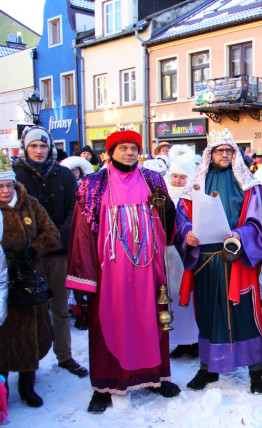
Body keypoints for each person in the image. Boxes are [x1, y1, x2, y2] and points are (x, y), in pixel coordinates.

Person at [66, 128, 180, 413]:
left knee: (151, 319)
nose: (130, 153)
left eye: (133, 148)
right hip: (110, 272)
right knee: (109, 323)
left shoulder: (153, 179)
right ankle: (104, 385)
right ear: (109, 152)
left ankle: (155, 377)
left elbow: (167, 223)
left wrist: (167, 210)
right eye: (123, 148)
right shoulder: (93, 185)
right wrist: (84, 277)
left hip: (148, 269)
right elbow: (82, 232)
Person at [176, 129, 262, 394]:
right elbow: (181, 219)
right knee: (208, 315)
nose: (225, 155)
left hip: (237, 257)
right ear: (210, 154)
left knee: (245, 316)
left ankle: (256, 371)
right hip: (205, 261)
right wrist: (188, 234)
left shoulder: (250, 186)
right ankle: (208, 368)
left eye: (229, 150)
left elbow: (260, 222)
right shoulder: (195, 185)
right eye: (220, 151)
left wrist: (239, 235)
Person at [13, 126, 88, 378]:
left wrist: (58, 238)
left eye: (43, 146)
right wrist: (36, 243)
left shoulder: (64, 174)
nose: (38, 150)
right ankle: (29, 363)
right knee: (30, 309)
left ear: (50, 148)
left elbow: (74, 211)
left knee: (60, 307)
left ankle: (64, 355)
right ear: (25, 148)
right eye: (33, 146)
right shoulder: (15, 175)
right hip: (29, 254)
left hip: (59, 252)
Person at [0, 154, 59, 408]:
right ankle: (2, 386)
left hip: (29, 279)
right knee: (4, 333)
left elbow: (52, 233)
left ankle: (27, 383)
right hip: (2, 282)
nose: (5, 190)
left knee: (31, 332)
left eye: (8, 185)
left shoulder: (30, 204)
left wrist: (34, 249)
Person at [163, 145, 199, 359]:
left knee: (188, 299)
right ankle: (181, 341)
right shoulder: (162, 195)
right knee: (173, 300)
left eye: (182, 177)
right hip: (168, 257)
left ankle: (194, 340)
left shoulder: (193, 197)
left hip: (188, 256)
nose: (177, 181)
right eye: (174, 176)